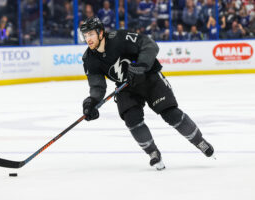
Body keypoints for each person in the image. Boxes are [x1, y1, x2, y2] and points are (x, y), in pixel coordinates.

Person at [79, 17, 215, 170]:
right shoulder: (89, 59)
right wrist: (91, 102)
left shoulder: (119, 38)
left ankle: (199, 141)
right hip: (126, 87)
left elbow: (150, 45)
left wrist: (141, 66)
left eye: (91, 34)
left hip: (149, 77)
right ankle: (153, 153)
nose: (87, 39)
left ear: (101, 32)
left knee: (170, 113)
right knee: (132, 120)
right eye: (85, 35)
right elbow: (97, 86)